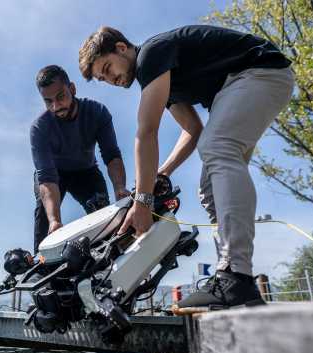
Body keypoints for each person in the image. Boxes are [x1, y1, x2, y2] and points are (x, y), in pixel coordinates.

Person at [78, 25, 294, 308]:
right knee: (209, 188)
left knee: (217, 148)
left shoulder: (151, 55)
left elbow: (146, 132)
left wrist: (142, 202)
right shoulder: (164, 76)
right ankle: (233, 278)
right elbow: (192, 130)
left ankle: (235, 276)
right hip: (240, 86)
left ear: (121, 48)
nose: (111, 80)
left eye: (107, 68)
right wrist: (162, 173)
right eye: (102, 79)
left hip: (259, 72)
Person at [31, 65, 129, 254]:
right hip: (53, 175)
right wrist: (54, 221)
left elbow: (111, 155)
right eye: (48, 101)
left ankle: (106, 256)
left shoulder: (97, 112)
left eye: (60, 97)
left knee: (101, 209)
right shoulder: (39, 128)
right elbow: (46, 177)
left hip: (86, 171)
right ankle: (40, 264)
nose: (56, 106)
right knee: (45, 214)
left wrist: (119, 188)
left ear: (73, 89)